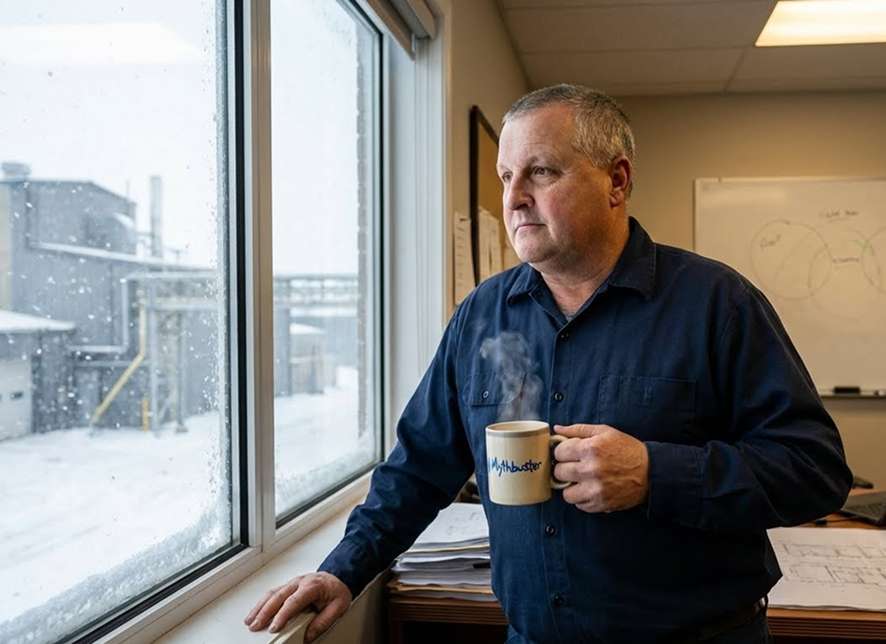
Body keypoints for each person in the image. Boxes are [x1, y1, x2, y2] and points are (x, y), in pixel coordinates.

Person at [246, 83, 852, 643]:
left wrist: (653, 473)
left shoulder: (717, 303)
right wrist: (345, 571)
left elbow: (815, 470)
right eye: (507, 175)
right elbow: (419, 466)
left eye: (540, 171)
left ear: (616, 181)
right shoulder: (482, 313)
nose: (513, 199)